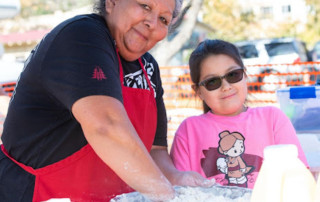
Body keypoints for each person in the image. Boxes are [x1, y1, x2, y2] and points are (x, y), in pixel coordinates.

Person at [0, 0, 215, 201]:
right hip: (37, 194)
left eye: (164, 19)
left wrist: (175, 178)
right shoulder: (81, 35)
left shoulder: (148, 68)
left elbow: (155, 150)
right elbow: (106, 126)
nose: (152, 23)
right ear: (111, 2)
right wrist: (168, 196)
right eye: (145, 6)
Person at [170, 39, 308, 189]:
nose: (226, 87)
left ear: (245, 75)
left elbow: (299, 180)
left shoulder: (273, 119)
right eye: (212, 82)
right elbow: (180, 191)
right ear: (198, 91)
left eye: (233, 75)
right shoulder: (188, 131)